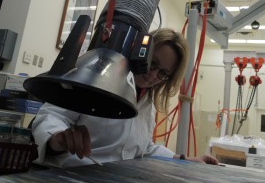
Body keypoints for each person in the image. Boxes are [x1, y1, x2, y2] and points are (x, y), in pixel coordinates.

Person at [32, 28, 218, 168]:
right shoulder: (96, 80)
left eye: (163, 73)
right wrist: (57, 139)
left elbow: (144, 149)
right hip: (72, 176)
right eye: (152, 63)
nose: (153, 75)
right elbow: (51, 116)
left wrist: (185, 160)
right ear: (140, 52)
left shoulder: (147, 102)